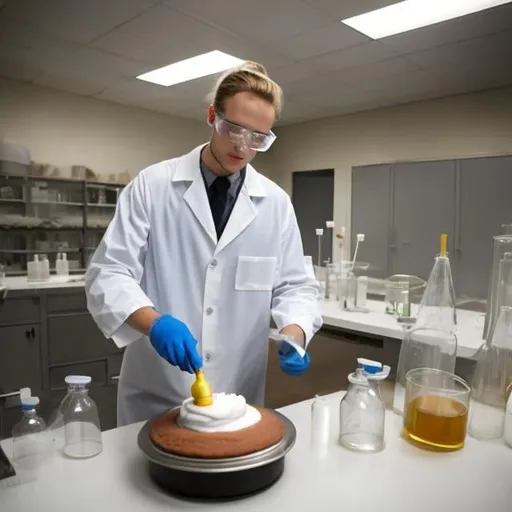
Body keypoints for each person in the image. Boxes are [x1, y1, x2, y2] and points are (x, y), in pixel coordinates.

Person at [85, 61, 323, 427]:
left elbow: (296, 285)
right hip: (157, 392)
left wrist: (295, 331)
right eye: (234, 129)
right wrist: (155, 323)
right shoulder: (153, 186)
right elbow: (109, 273)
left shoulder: (275, 203)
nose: (243, 146)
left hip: (236, 397)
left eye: (258, 138)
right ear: (213, 115)